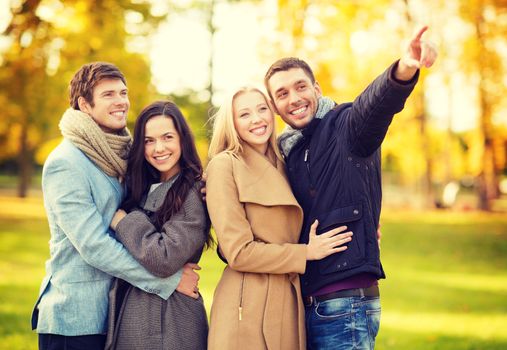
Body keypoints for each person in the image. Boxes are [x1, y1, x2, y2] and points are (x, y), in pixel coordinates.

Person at [263, 26, 437, 349]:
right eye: (282, 93)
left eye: (300, 86)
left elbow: (375, 105)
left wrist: (405, 67)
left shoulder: (346, 126)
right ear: (275, 106)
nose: (294, 98)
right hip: (312, 304)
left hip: (346, 304)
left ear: (316, 88)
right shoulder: (290, 152)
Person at [31, 62, 198, 350]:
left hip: (114, 315)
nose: (121, 101)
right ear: (85, 104)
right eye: (109, 94)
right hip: (75, 319)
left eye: (123, 92)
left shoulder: (116, 156)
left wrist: (203, 183)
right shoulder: (66, 163)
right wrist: (168, 281)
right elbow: (94, 245)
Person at [206, 86, 354, 350]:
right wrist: (305, 253)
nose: (257, 119)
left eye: (262, 109)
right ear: (232, 123)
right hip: (247, 304)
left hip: (289, 297)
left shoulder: (286, 163)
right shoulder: (224, 165)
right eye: (245, 114)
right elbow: (238, 252)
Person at [105, 101, 212, 350]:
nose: (159, 148)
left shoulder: (193, 190)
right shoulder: (140, 188)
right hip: (138, 315)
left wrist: (124, 221)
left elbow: (164, 258)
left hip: (170, 322)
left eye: (167, 137)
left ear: (182, 140)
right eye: (149, 140)